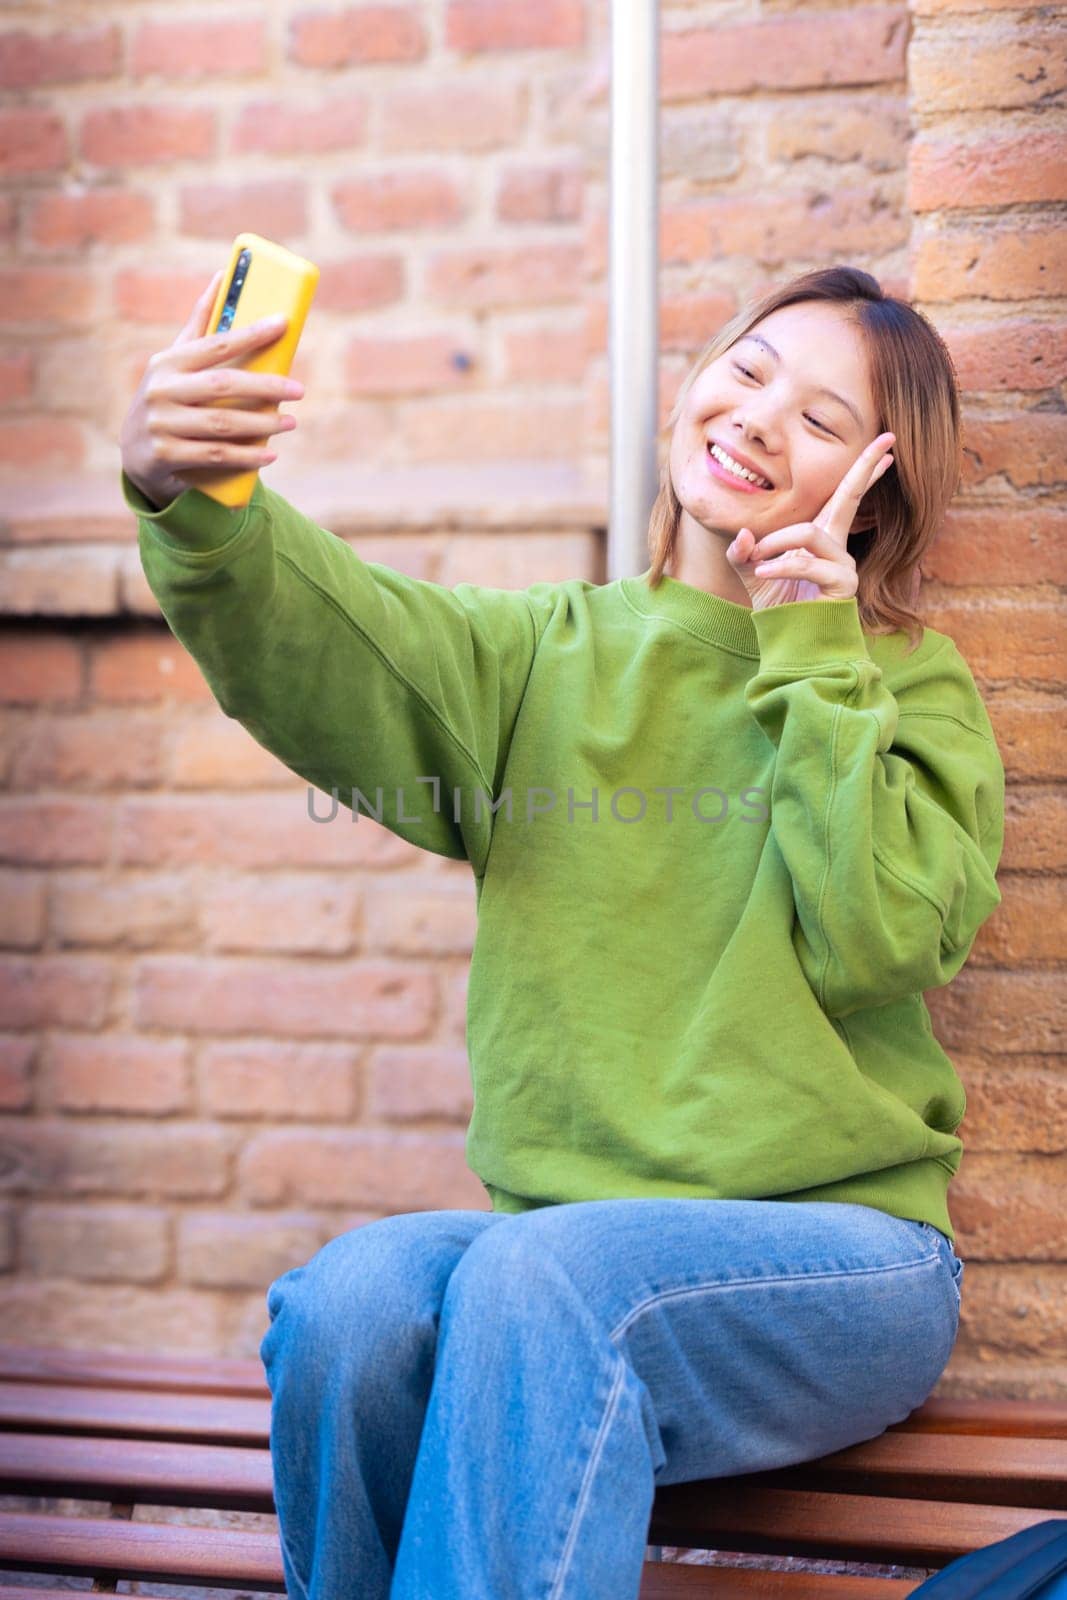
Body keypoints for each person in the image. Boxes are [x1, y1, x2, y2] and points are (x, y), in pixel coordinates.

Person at [119, 263, 1002, 1599]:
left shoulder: (911, 689)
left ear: (877, 492)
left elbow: (879, 936)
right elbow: (330, 636)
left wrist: (816, 648)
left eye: (823, 421)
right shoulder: (543, 657)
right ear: (689, 400)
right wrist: (187, 496)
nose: (763, 420)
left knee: (546, 1277)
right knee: (354, 1303)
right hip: (566, 1260)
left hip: (844, 1262)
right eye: (750, 374)